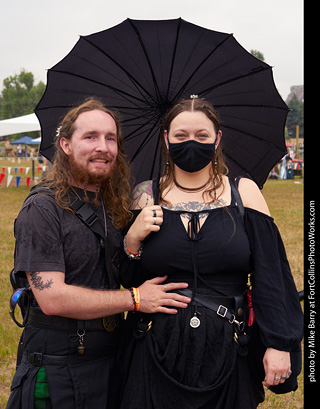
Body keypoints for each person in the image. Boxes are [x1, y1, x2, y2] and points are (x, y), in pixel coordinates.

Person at [118, 98, 303, 409]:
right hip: (155, 344)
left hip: (227, 345)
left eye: (202, 136)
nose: (191, 142)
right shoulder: (144, 194)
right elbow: (128, 278)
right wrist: (132, 240)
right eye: (180, 135)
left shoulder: (243, 192)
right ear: (166, 139)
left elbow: (272, 274)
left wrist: (279, 343)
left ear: (217, 139)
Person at [7, 98, 191, 409]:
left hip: (109, 358)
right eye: (90, 137)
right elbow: (53, 299)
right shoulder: (42, 208)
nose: (102, 147)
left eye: (110, 138)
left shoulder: (111, 205)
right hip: (57, 367)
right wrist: (135, 299)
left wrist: (132, 241)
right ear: (65, 144)